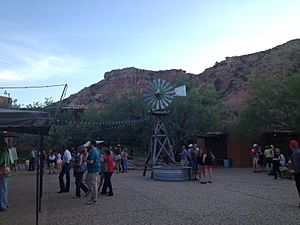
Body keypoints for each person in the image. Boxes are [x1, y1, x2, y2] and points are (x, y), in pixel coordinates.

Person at [86, 140, 100, 205]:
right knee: (89, 182)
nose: (88, 145)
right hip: (94, 169)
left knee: (93, 184)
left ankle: (95, 199)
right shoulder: (96, 150)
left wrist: (85, 160)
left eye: (89, 144)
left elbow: (91, 161)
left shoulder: (93, 151)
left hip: (93, 169)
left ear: (92, 144)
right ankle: (93, 197)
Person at [0, 142, 11, 212]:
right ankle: (6, 203)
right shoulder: (7, 153)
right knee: (5, 189)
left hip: (3, 173)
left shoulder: (3, 154)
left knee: (2, 190)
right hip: (7, 173)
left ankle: (3, 205)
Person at [289, 140, 300, 208]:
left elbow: (296, 165)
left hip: (299, 173)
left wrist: (294, 172)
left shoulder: (295, 153)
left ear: (291, 146)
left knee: (299, 186)